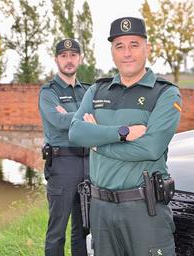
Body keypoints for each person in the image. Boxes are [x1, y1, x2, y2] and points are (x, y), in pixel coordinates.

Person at [69, 16, 181, 256]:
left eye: (134, 44)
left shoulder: (165, 94)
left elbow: (150, 148)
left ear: (147, 48)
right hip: (100, 211)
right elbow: (76, 132)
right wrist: (121, 133)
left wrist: (98, 142)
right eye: (119, 46)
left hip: (144, 212)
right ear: (112, 52)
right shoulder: (97, 90)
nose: (127, 53)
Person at [39, 38, 90, 256]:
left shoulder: (88, 90)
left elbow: (96, 118)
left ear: (80, 58)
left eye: (73, 55)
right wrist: (86, 117)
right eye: (63, 56)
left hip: (88, 163)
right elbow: (58, 122)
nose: (69, 60)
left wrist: (70, 116)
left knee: (84, 229)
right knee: (57, 230)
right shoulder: (48, 92)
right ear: (56, 59)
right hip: (62, 165)